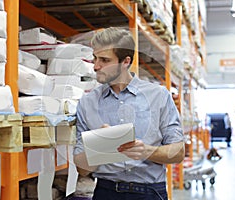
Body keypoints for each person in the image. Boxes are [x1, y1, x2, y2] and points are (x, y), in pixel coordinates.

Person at [73, 27, 185, 200]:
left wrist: (146, 151)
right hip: (106, 192)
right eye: (95, 58)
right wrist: (100, 145)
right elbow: (82, 169)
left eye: (104, 60)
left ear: (125, 62)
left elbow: (178, 152)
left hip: (150, 192)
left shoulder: (158, 96)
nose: (95, 66)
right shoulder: (87, 103)